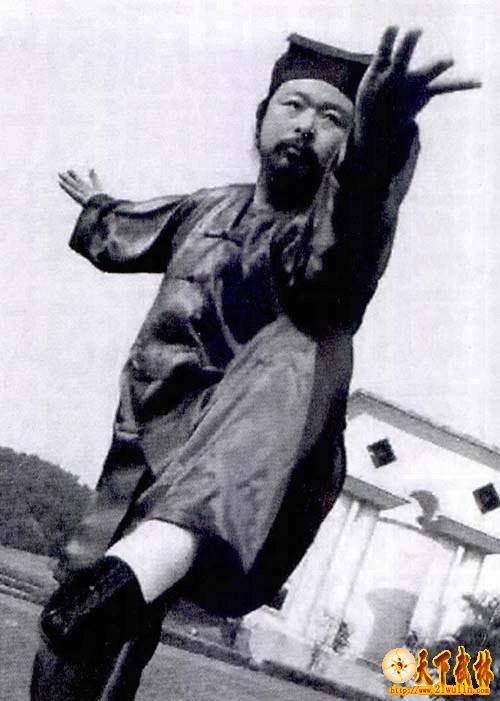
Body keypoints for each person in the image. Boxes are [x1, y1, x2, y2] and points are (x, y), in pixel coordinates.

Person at [31, 27, 480, 700]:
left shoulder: (331, 233)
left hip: (260, 460)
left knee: (306, 338)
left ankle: (150, 559)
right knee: (81, 624)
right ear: (262, 117)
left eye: (333, 118)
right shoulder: (207, 208)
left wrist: (377, 138)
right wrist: (100, 208)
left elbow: (346, 239)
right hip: (148, 441)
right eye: (293, 106)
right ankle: (126, 578)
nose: (307, 125)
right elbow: (127, 231)